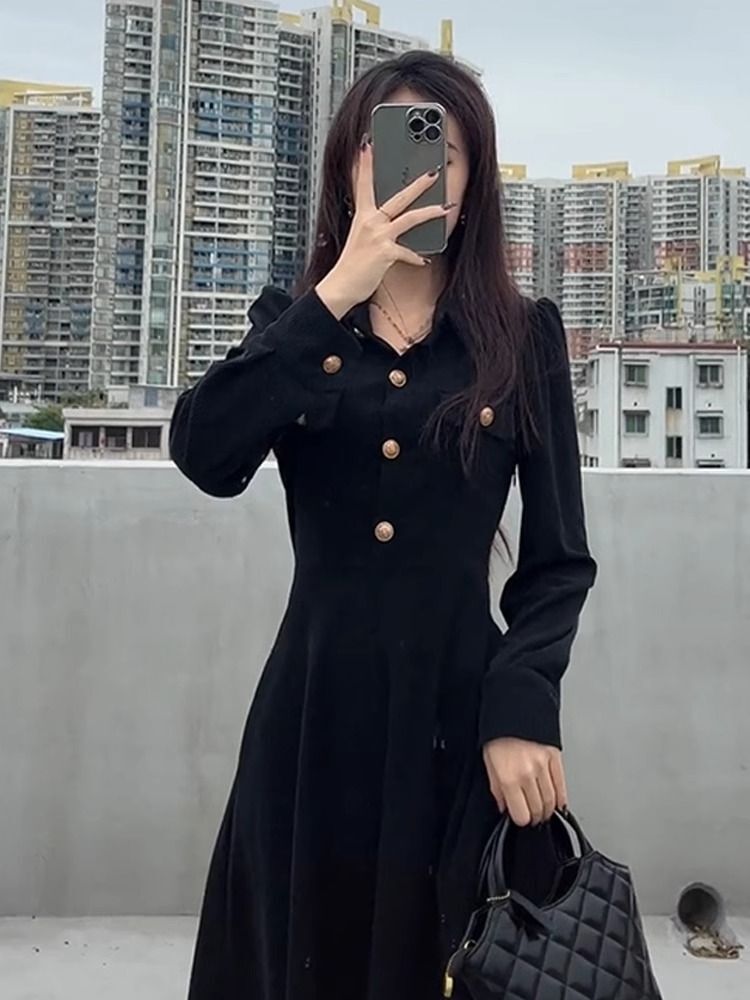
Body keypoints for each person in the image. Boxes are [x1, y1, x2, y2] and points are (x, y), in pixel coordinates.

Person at [169, 49, 597, 1000]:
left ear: (474, 178)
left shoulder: (522, 337)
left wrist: (522, 710)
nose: (417, 169)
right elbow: (204, 455)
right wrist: (339, 289)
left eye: (442, 149)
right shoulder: (295, 323)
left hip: (460, 728)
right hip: (311, 723)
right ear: (350, 165)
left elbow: (558, 560)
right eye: (390, 144)